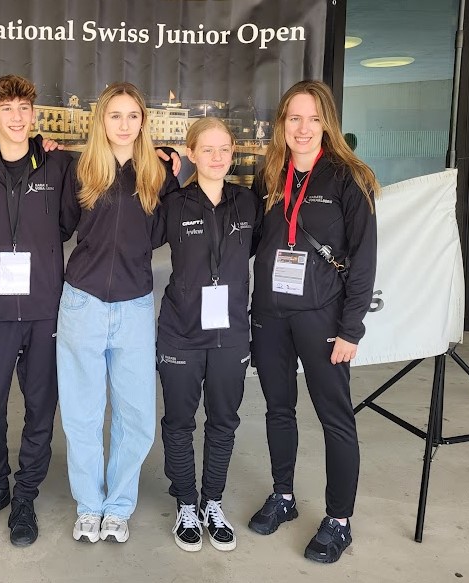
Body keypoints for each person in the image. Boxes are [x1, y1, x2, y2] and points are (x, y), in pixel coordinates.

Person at [246, 80, 379, 563]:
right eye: (294, 118)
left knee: (335, 418)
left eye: (314, 119)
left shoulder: (348, 178)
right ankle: (283, 496)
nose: (303, 129)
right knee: (278, 409)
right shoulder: (269, 176)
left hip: (322, 316)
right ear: (282, 123)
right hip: (270, 315)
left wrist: (350, 329)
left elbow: (363, 260)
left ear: (328, 125)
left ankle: (339, 520)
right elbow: (250, 238)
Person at [57, 81, 179, 544]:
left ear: (143, 121)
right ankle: (89, 505)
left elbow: (162, 232)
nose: (124, 124)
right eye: (115, 115)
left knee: (136, 414)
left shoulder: (158, 174)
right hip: (82, 302)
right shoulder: (80, 170)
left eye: (132, 115)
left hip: (134, 305)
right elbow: (61, 225)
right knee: (82, 413)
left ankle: (118, 507)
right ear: (101, 121)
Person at [0, 75, 77, 546]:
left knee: (39, 407)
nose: (16, 117)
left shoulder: (58, 164)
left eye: (24, 108)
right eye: (6, 109)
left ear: (34, 114)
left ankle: (26, 495)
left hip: (44, 307)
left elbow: (70, 222)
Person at [152, 117, 258, 552]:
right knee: (179, 422)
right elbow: (140, 236)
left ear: (233, 153)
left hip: (231, 333)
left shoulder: (248, 203)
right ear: (191, 153)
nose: (217, 157)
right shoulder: (174, 204)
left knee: (224, 421)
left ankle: (212, 502)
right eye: (207, 149)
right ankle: (185, 504)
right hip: (180, 332)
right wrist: (162, 177)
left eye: (224, 149)